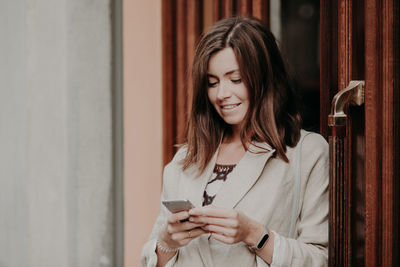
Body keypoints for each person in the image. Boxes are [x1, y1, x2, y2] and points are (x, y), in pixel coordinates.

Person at [141, 16, 328, 267]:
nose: (222, 94)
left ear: (264, 79)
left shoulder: (307, 153)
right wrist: (167, 241)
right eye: (212, 82)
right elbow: (153, 259)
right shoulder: (186, 159)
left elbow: (322, 259)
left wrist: (255, 235)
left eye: (236, 79)